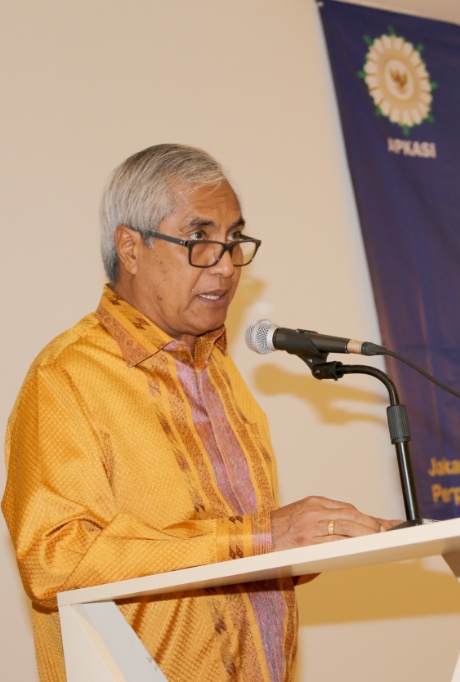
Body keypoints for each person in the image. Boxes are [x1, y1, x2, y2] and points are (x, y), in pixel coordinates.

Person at [2, 144, 394, 681]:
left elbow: (226, 560)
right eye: (200, 241)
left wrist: (310, 544)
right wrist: (261, 538)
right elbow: (56, 561)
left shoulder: (222, 375)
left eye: (234, 241)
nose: (227, 265)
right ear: (130, 248)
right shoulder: (66, 377)